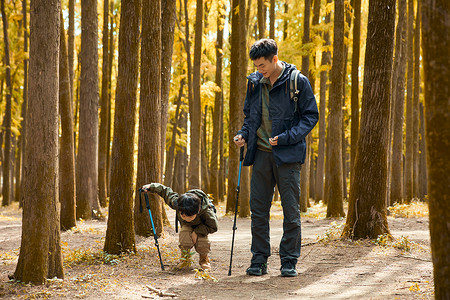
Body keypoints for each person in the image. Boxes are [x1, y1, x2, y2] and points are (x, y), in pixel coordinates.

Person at [233, 39, 318, 277]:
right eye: (256, 66)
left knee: (291, 210)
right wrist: (243, 135)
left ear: (275, 59)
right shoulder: (255, 83)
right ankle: (259, 259)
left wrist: (287, 137)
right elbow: (251, 117)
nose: (259, 70)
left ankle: (289, 261)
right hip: (260, 154)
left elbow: (311, 116)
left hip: (288, 155)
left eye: (262, 65)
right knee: (258, 210)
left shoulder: (297, 81)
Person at [142, 183, 218, 271]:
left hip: (202, 227)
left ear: (198, 211)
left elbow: (213, 227)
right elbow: (166, 192)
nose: (186, 219)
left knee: (202, 240)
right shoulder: (177, 203)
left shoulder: (207, 212)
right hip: (186, 227)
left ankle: (204, 260)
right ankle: (185, 259)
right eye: (183, 216)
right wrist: (151, 187)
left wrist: (196, 232)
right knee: (184, 234)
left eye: (190, 217)